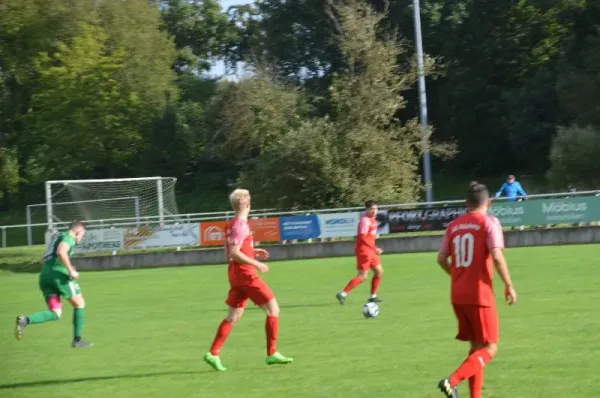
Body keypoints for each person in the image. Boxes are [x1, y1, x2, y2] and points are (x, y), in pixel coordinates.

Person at [436, 182, 517, 398]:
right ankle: (451, 381)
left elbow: (441, 258)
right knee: (490, 348)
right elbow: (497, 256)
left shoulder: (453, 226)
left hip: (458, 294)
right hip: (479, 295)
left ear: (466, 204)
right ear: (488, 203)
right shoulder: (489, 222)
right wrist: (508, 284)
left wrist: (457, 275)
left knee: (476, 348)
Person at [203, 189, 293, 371]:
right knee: (273, 309)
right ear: (248, 205)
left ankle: (213, 353)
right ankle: (271, 353)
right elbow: (234, 253)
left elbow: (230, 252)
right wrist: (256, 263)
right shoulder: (240, 225)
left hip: (235, 274)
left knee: (233, 315)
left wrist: (253, 252)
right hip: (246, 274)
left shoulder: (231, 225)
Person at [14, 221, 93, 348]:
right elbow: (61, 252)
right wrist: (70, 270)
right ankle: (77, 340)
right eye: (82, 235)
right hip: (58, 277)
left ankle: (25, 320)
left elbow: (43, 258)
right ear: (77, 231)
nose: (81, 238)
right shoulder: (69, 237)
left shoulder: (57, 236)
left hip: (45, 276)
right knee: (80, 303)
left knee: (55, 313)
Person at [336, 200, 384, 304]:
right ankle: (343, 293)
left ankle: (373, 296)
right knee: (363, 276)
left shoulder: (373, 219)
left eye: (376, 208)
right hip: (364, 250)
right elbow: (362, 237)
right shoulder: (365, 220)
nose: (374, 211)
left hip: (370, 250)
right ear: (367, 209)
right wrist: (375, 248)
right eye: (372, 209)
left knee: (379, 272)